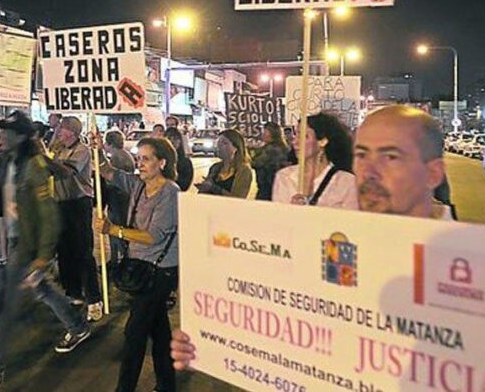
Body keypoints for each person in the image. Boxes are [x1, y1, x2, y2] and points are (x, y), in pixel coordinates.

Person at [171, 105, 452, 370]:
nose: (369, 171)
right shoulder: (285, 179)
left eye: (390, 156)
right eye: (362, 154)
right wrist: (209, 336)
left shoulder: (452, 257)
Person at [0, 111, 91, 391]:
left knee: (3, 308)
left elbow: (48, 214)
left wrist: (42, 256)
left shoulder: (34, 165)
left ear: (22, 137)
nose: (2, 136)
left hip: (28, 246)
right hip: (17, 241)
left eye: (8, 132)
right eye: (0, 131)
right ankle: (77, 325)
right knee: (42, 289)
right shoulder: (5, 161)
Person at [94, 136, 180, 392]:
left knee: (134, 334)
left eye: (146, 159)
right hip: (141, 266)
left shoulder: (170, 192)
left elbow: (154, 235)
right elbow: (106, 171)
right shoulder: (139, 186)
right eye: (138, 158)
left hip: (160, 271)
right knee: (159, 332)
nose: (139, 164)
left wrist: (114, 230)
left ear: (162, 163)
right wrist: (97, 149)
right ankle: (166, 385)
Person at [44, 116, 103, 321]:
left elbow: (66, 172)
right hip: (59, 204)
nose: (59, 131)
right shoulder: (57, 149)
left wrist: (44, 159)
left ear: (73, 132)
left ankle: (94, 299)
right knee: (64, 251)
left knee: (83, 251)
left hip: (78, 204)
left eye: (63, 129)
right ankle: (73, 292)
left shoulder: (82, 150)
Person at [271, 113, 358, 208]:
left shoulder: (346, 182)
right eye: (295, 135)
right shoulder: (284, 177)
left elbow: (350, 221)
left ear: (322, 141)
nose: (295, 142)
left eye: (304, 136)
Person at [104, 130, 136, 265]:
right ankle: (118, 258)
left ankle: (118, 260)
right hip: (125, 197)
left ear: (109, 143)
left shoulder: (116, 158)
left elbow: (111, 177)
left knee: (116, 228)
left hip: (117, 197)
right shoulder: (126, 155)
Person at [195, 129, 252, 198]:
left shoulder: (243, 170)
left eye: (224, 143)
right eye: (218, 143)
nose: (219, 146)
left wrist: (214, 188)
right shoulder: (215, 167)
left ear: (236, 148)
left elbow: (238, 198)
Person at [251, 122, 291, 201]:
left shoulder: (270, 149)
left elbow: (255, 163)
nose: (263, 134)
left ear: (271, 133)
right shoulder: (285, 148)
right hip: (281, 187)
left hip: (267, 187)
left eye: (265, 131)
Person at [164, 127, 193, 192]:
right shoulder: (158, 159)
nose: (172, 141)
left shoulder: (185, 162)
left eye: (175, 138)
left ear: (180, 141)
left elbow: (185, 185)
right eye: (169, 138)